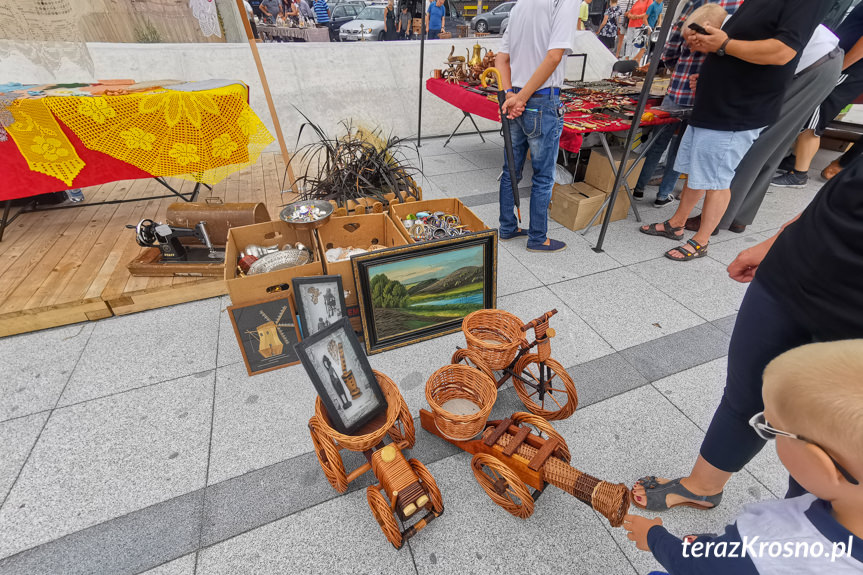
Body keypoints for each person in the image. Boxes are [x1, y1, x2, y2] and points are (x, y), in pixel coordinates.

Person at [629, 154, 863, 522]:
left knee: (837, 445)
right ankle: (703, 487)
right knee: (745, 396)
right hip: (795, 267)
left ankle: (808, 529)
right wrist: (778, 238)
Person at [624, 340, 863, 574]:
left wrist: (654, 537)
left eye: (771, 426)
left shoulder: (768, 542)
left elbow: (693, 567)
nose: (764, 428)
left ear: (820, 464)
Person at [639, 0, 827, 262]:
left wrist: (723, 45)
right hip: (714, 101)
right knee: (696, 169)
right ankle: (677, 223)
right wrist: (708, 76)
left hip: (737, 108)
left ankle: (701, 240)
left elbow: (782, 52)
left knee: (717, 179)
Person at [714, 23, 842, 233]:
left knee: (757, 142)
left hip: (814, 62)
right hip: (820, 60)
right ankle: (739, 216)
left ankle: (719, 217)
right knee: (773, 145)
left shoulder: (731, 18)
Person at [632, 1, 743, 207]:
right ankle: (662, 195)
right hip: (703, 96)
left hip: (682, 89)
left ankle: (639, 187)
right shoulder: (740, 8)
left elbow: (671, 49)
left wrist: (678, 67)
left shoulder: (696, 5)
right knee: (681, 149)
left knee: (660, 141)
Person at [495, 0, 579, 253]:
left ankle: (507, 227)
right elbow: (554, 56)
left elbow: (502, 59)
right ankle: (538, 237)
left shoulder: (521, 4)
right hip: (541, 99)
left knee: (511, 169)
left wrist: (512, 94)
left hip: (518, 96)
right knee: (543, 176)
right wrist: (518, 98)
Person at [771, 1, 863, 189]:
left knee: (815, 113)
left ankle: (799, 173)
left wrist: (841, 66)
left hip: (848, 67)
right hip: (842, 61)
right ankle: (795, 161)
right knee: (812, 110)